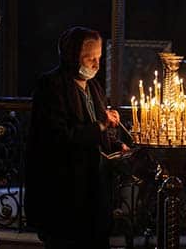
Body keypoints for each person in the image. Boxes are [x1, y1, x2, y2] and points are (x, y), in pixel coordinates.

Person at [24, 26, 130, 249]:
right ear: (72, 56)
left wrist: (116, 144)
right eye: (89, 58)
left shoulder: (94, 87)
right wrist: (101, 123)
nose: (96, 64)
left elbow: (97, 132)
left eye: (99, 57)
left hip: (95, 190)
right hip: (65, 190)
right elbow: (59, 136)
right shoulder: (51, 86)